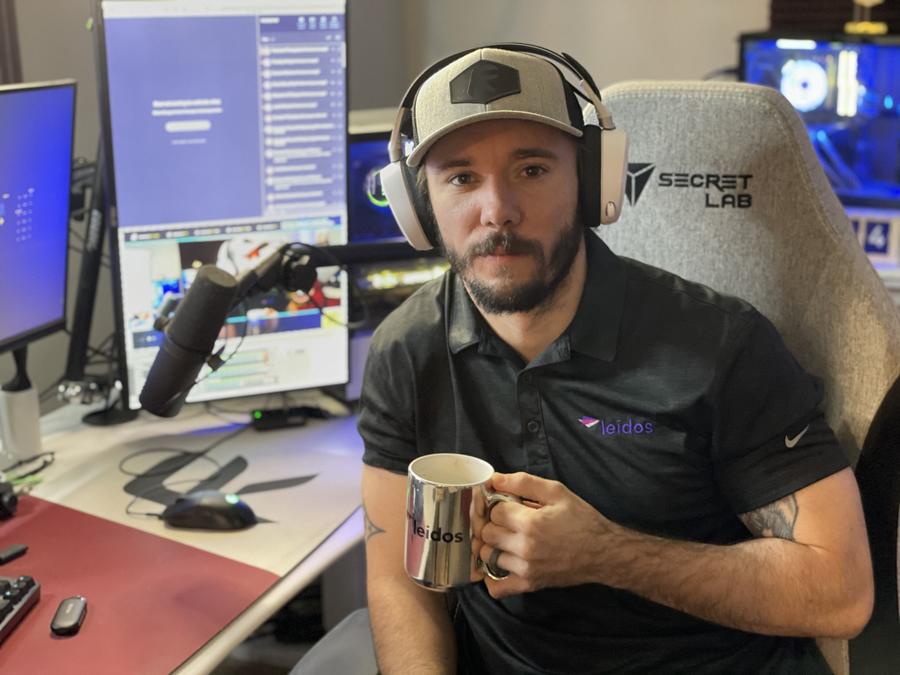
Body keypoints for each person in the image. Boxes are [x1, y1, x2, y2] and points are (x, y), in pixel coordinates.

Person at [358, 45, 873, 674]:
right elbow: (398, 579)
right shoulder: (406, 350)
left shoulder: (720, 345)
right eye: (461, 177)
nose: (497, 211)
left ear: (593, 182)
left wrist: (606, 554)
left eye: (532, 170)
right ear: (418, 206)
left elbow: (840, 592)